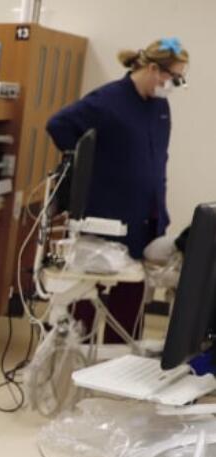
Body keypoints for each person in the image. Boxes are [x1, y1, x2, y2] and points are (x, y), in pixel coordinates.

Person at [46, 37, 189, 343]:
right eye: (173, 77)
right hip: (106, 216)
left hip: (145, 216)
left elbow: (157, 161)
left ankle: (120, 358)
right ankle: (75, 355)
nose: (174, 84)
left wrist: (160, 212)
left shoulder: (159, 107)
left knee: (131, 298)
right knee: (88, 295)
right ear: (152, 68)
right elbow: (58, 125)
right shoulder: (108, 100)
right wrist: (91, 164)